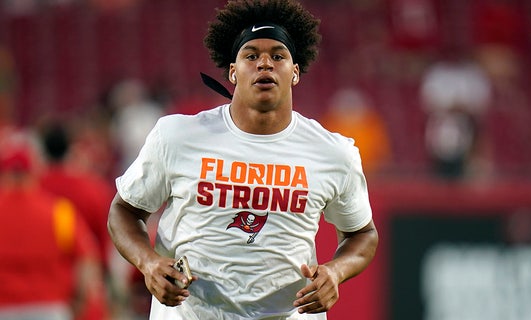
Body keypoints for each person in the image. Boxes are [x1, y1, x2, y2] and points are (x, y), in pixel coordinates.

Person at [107, 0, 379, 319]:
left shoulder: (334, 152)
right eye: (252, 55)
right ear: (233, 72)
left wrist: (336, 271)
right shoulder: (177, 136)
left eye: (278, 55)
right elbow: (124, 210)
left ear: (295, 72)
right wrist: (148, 262)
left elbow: (362, 234)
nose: (265, 64)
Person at [0, 128, 107, 320]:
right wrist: (78, 304)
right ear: (32, 172)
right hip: (50, 308)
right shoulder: (58, 211)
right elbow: (87, 263)